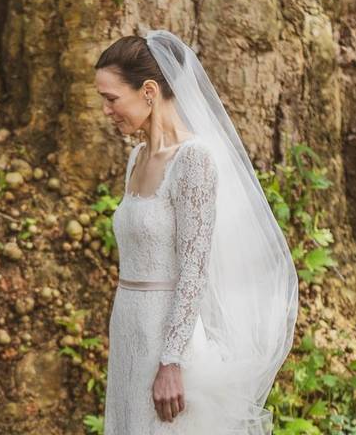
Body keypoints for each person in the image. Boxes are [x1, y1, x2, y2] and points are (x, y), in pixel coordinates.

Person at [95, 31, 298, 434]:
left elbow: (194, 270)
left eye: (111, 98)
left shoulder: (194, 160)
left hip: (168, 339)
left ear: (149, 91)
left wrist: (172, 361)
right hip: (128, 330)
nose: (105, 110)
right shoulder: (137, 158)